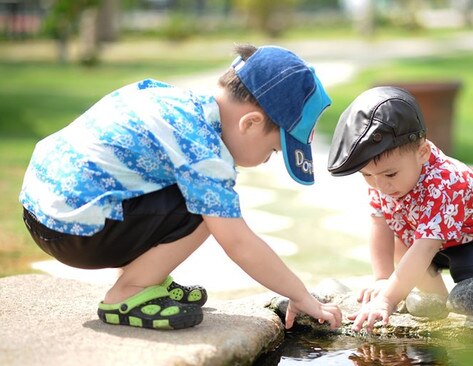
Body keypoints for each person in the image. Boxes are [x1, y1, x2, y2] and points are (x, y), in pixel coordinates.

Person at [20, 44, 342, 331]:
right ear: (251, 123)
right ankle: (129, 292)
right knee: (210, 211)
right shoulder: (203, 149)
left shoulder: (177, 103)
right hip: (73, 231)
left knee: (193, 194)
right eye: (272, 151)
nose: (266, 161)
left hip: (43, 210)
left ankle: (147, 278)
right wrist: (300, 295)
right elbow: (238, 242)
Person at [327, 86, 473, 332]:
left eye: (390, 174)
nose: (380, 185)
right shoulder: (384, 179)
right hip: (446, 238)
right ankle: (438, 308)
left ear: (422, 152)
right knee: (403, 244)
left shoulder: (445, 182)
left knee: (471, 269)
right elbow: (379, 223)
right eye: (367, 175)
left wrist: (386, 299)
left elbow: (425, 248)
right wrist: (383, 278)